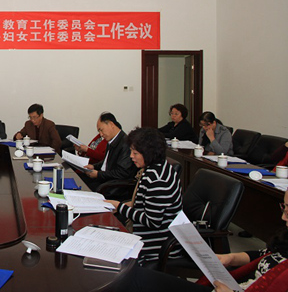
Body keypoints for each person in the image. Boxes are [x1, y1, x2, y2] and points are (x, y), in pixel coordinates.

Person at [116, 189, 288, 292]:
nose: (283, 216)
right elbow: (263, 254)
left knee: (137, 280)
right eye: (283, 207)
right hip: (231, 285)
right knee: (136, 277)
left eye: (287, 209)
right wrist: (230, 258)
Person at [105, 127, 183, 264]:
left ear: (148, 153)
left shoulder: (157, 180)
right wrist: (121, 206)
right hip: (148, 236)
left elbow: (152, 221)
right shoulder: (157, 167)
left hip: (156, 245)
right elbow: (144, 203)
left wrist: (120, 207)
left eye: (135, 153)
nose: (131, 156)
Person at [82, 112, 138, 198]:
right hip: (105, 179)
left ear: (111, 124)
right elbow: (106, 161)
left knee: (82, 187)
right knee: (79, 178)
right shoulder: (112, 140)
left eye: (101, 130)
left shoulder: (125, 143)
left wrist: (98, 174)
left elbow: (122, 173)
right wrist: (93, 166)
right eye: (99, 131)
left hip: (113, 185)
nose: (101, 134)